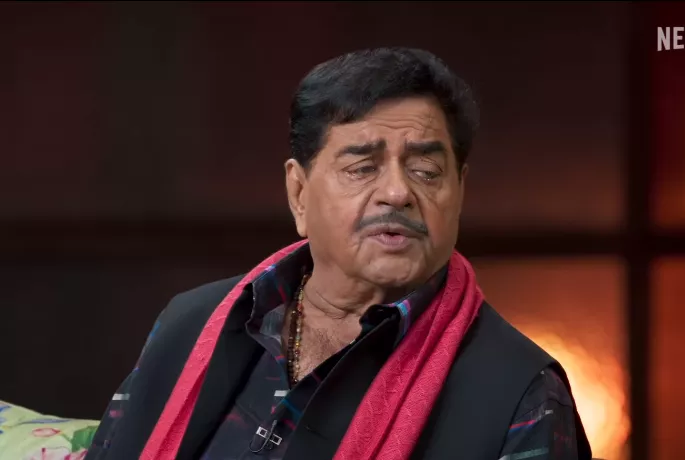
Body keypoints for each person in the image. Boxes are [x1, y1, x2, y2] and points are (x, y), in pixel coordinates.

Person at [85, 47, 592, 460]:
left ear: (459, 191)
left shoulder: (520, 393)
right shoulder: (191, 324)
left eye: (426, 171)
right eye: (362, 168)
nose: (397, 193)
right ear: (299, 193)